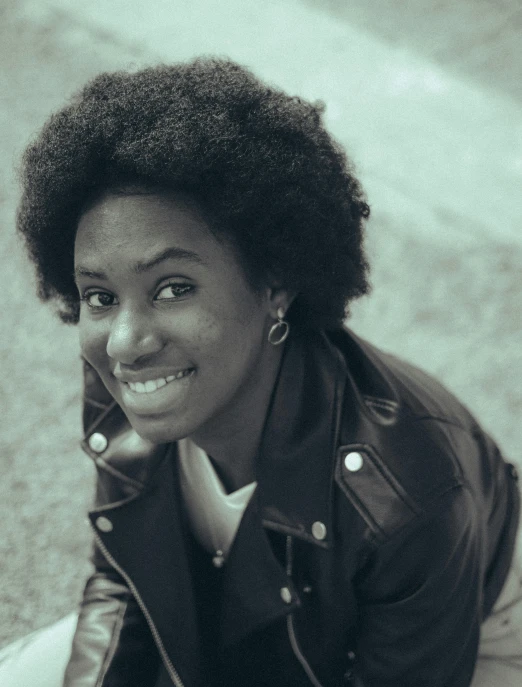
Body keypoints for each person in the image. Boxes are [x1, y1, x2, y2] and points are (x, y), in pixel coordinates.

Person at [3, 57, 521, 686]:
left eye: (172, 288)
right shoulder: (126, 380)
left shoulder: (405, 492)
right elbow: (127, 581)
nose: (126, 342)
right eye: (101, 296)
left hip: (478, 634)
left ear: (274, 282)